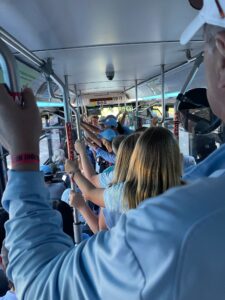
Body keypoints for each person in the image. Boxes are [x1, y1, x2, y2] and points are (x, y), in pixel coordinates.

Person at [2, 1, 225, 298]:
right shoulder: (188, 171)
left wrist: (23, 153)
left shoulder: (171, 222)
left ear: (221, 56)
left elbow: (41, 285)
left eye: (204, 52)